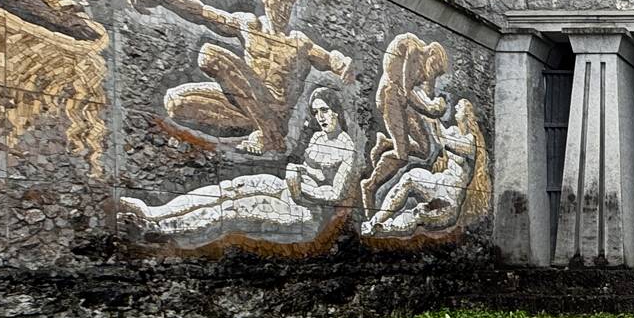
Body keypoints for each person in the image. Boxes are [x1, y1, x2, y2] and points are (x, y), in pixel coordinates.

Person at [123, 0, 353, 156]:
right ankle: (267, 132)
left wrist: (342, 64)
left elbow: (330, 59)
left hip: (275, 110)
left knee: (210, 55)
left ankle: (270, 133)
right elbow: (202, 13)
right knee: (175, 102)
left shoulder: (298, 42)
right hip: (243, 107)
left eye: (287, 3)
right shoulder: (249, 25)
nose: (282, 8)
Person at [121, 88, 357, 244]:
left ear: (336, 111)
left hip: (307, 211)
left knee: (233, 210)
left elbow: (336, 193)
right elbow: (307, 167)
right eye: (316, 112)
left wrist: (302, 191)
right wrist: (297, 173)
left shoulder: (348, 148)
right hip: (287, 187)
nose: (320, 117)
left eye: (324, 111)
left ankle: (161, 229)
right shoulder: (317, 138)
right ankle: (156, 213)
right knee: (230, 188)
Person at [364, 100, 491, 237]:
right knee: (409, 178)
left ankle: (383, 229)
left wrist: (433, 115)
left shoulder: (470, 141)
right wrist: (428, 111)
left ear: (467, 114)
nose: (455, 107)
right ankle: (376, 220)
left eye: (459, 107)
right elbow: (439, 136)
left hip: (449, 198)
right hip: (439, 182)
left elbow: (448, 142)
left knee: (419, 213)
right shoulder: (454, 131)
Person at [362, 33, 450, 211]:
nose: (430, 76)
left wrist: (434, 105)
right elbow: (406, 92)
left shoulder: (421, 60)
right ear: (431, 54)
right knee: (402, 156)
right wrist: (430, 108)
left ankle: (386, 143)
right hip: (390, 97)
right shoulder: (412, 49)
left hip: (402, 101)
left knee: (425, 149)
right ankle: (370, 186)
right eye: (434, 69)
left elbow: (419, 92)